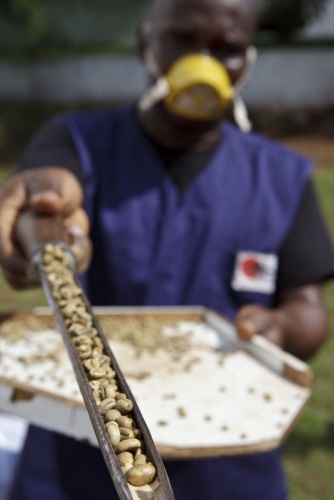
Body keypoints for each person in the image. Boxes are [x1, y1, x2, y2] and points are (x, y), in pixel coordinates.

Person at [0, 0, 333, 498]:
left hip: (229, 453)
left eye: (228, 49)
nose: (203, 63)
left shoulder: (282, 177)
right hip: (79, 453)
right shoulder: (79, 141)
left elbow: (308, 312)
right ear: (144, 44)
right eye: (183, 39)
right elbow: (53, 181)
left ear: (249, 61)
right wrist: (46, 205)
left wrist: (279, 327)